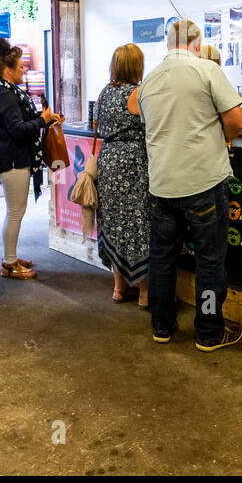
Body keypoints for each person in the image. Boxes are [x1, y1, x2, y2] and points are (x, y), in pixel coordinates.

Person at [127, 19, 242, 350]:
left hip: (162, 185)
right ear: (196, 42)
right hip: (203, 181)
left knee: (162, 260)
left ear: (168, 43)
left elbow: (135, 110)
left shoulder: (149, 80)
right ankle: (208, 332)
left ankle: (161, 326)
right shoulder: (206, 70)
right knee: (209, 260)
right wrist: (224, 141)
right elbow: (236, 119)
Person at [0, 37, 60, 280]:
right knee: (15, 212)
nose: (24, 70)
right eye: (21, 67)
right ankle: (9, 263)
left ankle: (10, 257)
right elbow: (18, 129)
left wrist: (44, 117)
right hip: (12, 160)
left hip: (14, 158)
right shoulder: (4, 94)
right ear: (8, 70)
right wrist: (43, 120)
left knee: (15, 211)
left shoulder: (7, 91)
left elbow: (20, 122)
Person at [96, 44, 150, 307]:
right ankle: (145, 293)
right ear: (136, 67)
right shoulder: (138, 94)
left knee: (114, 222)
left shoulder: (105, 92)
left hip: (108, 162)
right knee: (139, 224)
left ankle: (119, 289)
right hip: (133, 164)